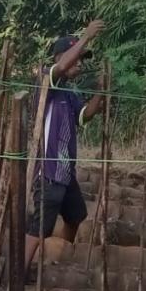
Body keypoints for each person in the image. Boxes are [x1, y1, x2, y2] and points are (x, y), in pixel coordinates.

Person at [24, 21, 106, 269]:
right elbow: (59, 69)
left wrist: (101, 91)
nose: (80, 63)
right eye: (76, 58)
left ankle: (57, 257)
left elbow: (85, 116)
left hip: (65, 173)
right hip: (48, 172)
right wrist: (86, 37)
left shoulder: (69, 94)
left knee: (76, 215)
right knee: (39, 228)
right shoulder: (46, 82)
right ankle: (18, 274)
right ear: (60, 57)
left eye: (82, 60)